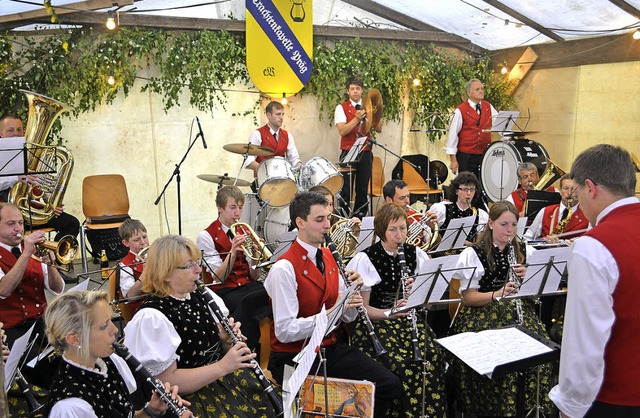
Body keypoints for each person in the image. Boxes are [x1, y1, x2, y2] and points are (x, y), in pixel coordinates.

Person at [265, 191, 401, 418]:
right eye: (319, 220)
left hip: (328, 348)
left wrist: (351, 295)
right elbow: (285, 331)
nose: (328, 225)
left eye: (329, 217)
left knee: (389, 384)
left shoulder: (329, 255)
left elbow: (347, 317)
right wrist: (334, 310)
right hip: (294, 357)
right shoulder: (283, 269)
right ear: (300, 222)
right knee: (328, 407)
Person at [124, 234, 279, 417]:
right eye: (189, 265)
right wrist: (223, 366)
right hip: (188, 400)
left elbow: (212, 352)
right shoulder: (152, 318)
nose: (198, 270)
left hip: (221, 381)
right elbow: (166, 382)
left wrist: (225, 342)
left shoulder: (199, 295)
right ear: (165, 273)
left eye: (197, 262)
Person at [549, 144, 640, 418]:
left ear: (590, 187)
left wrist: (570, 406)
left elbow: (585, 342)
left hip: (614, 399)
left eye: (575, 193)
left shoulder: (594, 246)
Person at [449, 201, 555, 416]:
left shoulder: (524, 249)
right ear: (490, 224)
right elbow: (468, 298)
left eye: (514, 225)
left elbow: (538, 290)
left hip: (520, 312)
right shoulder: (473, 254)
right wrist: (497, 294)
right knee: (504, 366)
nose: (509, 231)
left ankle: (533, 410)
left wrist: (530, 277)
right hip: (483, 313)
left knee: (541, 359)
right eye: (503, 224)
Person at [346, 202, 447, 417]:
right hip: (378, 325)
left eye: (402, 228)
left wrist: (417, 293)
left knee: (434, 357)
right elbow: (363, 310)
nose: (399, 235)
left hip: (409, 321)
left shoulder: (416, 254)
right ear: (381, 230)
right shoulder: (366, 259)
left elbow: (428, 303)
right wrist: (389, 312)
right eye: (392, 229)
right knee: (401, 365)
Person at [45, 290, 191, 417]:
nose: (115, 330)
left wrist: (151, 410)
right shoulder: (70, 407)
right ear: (75, 339)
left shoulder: (111, 360)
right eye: (104, 326)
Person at [195, 185, 270, 353]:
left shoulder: (243, 230)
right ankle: (245, 349)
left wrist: (256, 254)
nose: (238, 213)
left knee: (271, 290)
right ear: (220, 208)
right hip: (226, 290)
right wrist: (233, 252)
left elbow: (254, 275)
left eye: (240, 207)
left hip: (248, 286)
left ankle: (255, 347)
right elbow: (217, 278)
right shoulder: (206, 236)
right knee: (250, 301)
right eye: (232, 207)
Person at [0, 202, 63, 387]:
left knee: (72, 346)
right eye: (11, 224)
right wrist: (26, 254)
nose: (18, 228)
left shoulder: (32, 249)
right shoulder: (28, 251)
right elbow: (4, 290)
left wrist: (51, 265)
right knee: (39, 366)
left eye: (20, 222)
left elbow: (57, 289)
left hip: (40, 322)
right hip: (11, 328)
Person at [0, 115, 80, 243]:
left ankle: (53, 258)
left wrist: (50, 202)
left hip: (28, 211)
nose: (16, 134)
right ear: (1, 133)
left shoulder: (31, 153)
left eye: (19, 130)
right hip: (4, 216)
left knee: (71, 224)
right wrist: (16, 178)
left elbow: (37, 184)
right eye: (11, 130)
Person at [335, 76, 374, 219]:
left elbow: (379, 128)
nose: (355, 92)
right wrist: (357, 118)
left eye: (358, 89)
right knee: (346, 190)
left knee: (362, 189)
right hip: (348, 151)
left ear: (362, 90)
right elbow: (342, 130)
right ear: (348, 91)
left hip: (366, 151)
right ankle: (343, 220)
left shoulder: (368, 107)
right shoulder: (341, 108)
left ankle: (360, 219)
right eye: (352, 89)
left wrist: (375, 114)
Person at [445, 79, 497, 178]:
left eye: (482, 89)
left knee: (483, 184)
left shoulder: (488, 107)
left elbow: (500, 124)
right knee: (466, 184)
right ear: (469, 93)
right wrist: (453, 160)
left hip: (484, 154)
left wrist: (509, 138)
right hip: (466, 156)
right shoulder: (460, 110)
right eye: (477, 89)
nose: (481, 91)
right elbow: (453, 136)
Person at [243, 100, 303, 174]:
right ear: (269, 115)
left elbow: (294, 159)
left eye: (282, 114)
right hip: (263, 180)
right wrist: (266, 171)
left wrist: (299, 165)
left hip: (283, 178)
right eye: (278, 114)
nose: (281, 117)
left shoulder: (287, 135)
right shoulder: (257, 134)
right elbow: (249, 160)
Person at [524, 174, 589, 242]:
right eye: (566, 188)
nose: (569, 193)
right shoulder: (545, 211)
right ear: (560, 190)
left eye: (573, 189)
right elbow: (528, 238)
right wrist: (542, 243)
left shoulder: (589, 215)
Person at [430, 171, 489, 245]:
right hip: (441, 255)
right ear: (456, 191)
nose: (469, 193)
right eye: (465, 189)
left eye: (472, 189)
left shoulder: (480, 214)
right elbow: (429, 237)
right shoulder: (442, 209)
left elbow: (480, 243)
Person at [117, 219, 150, 313]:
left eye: (145, 237)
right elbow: (130, 297)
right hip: (144, 308)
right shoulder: (125, 265)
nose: (143, 242)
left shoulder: (156, 255)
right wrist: (145, 273)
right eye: (136, 240)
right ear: (126, 243)